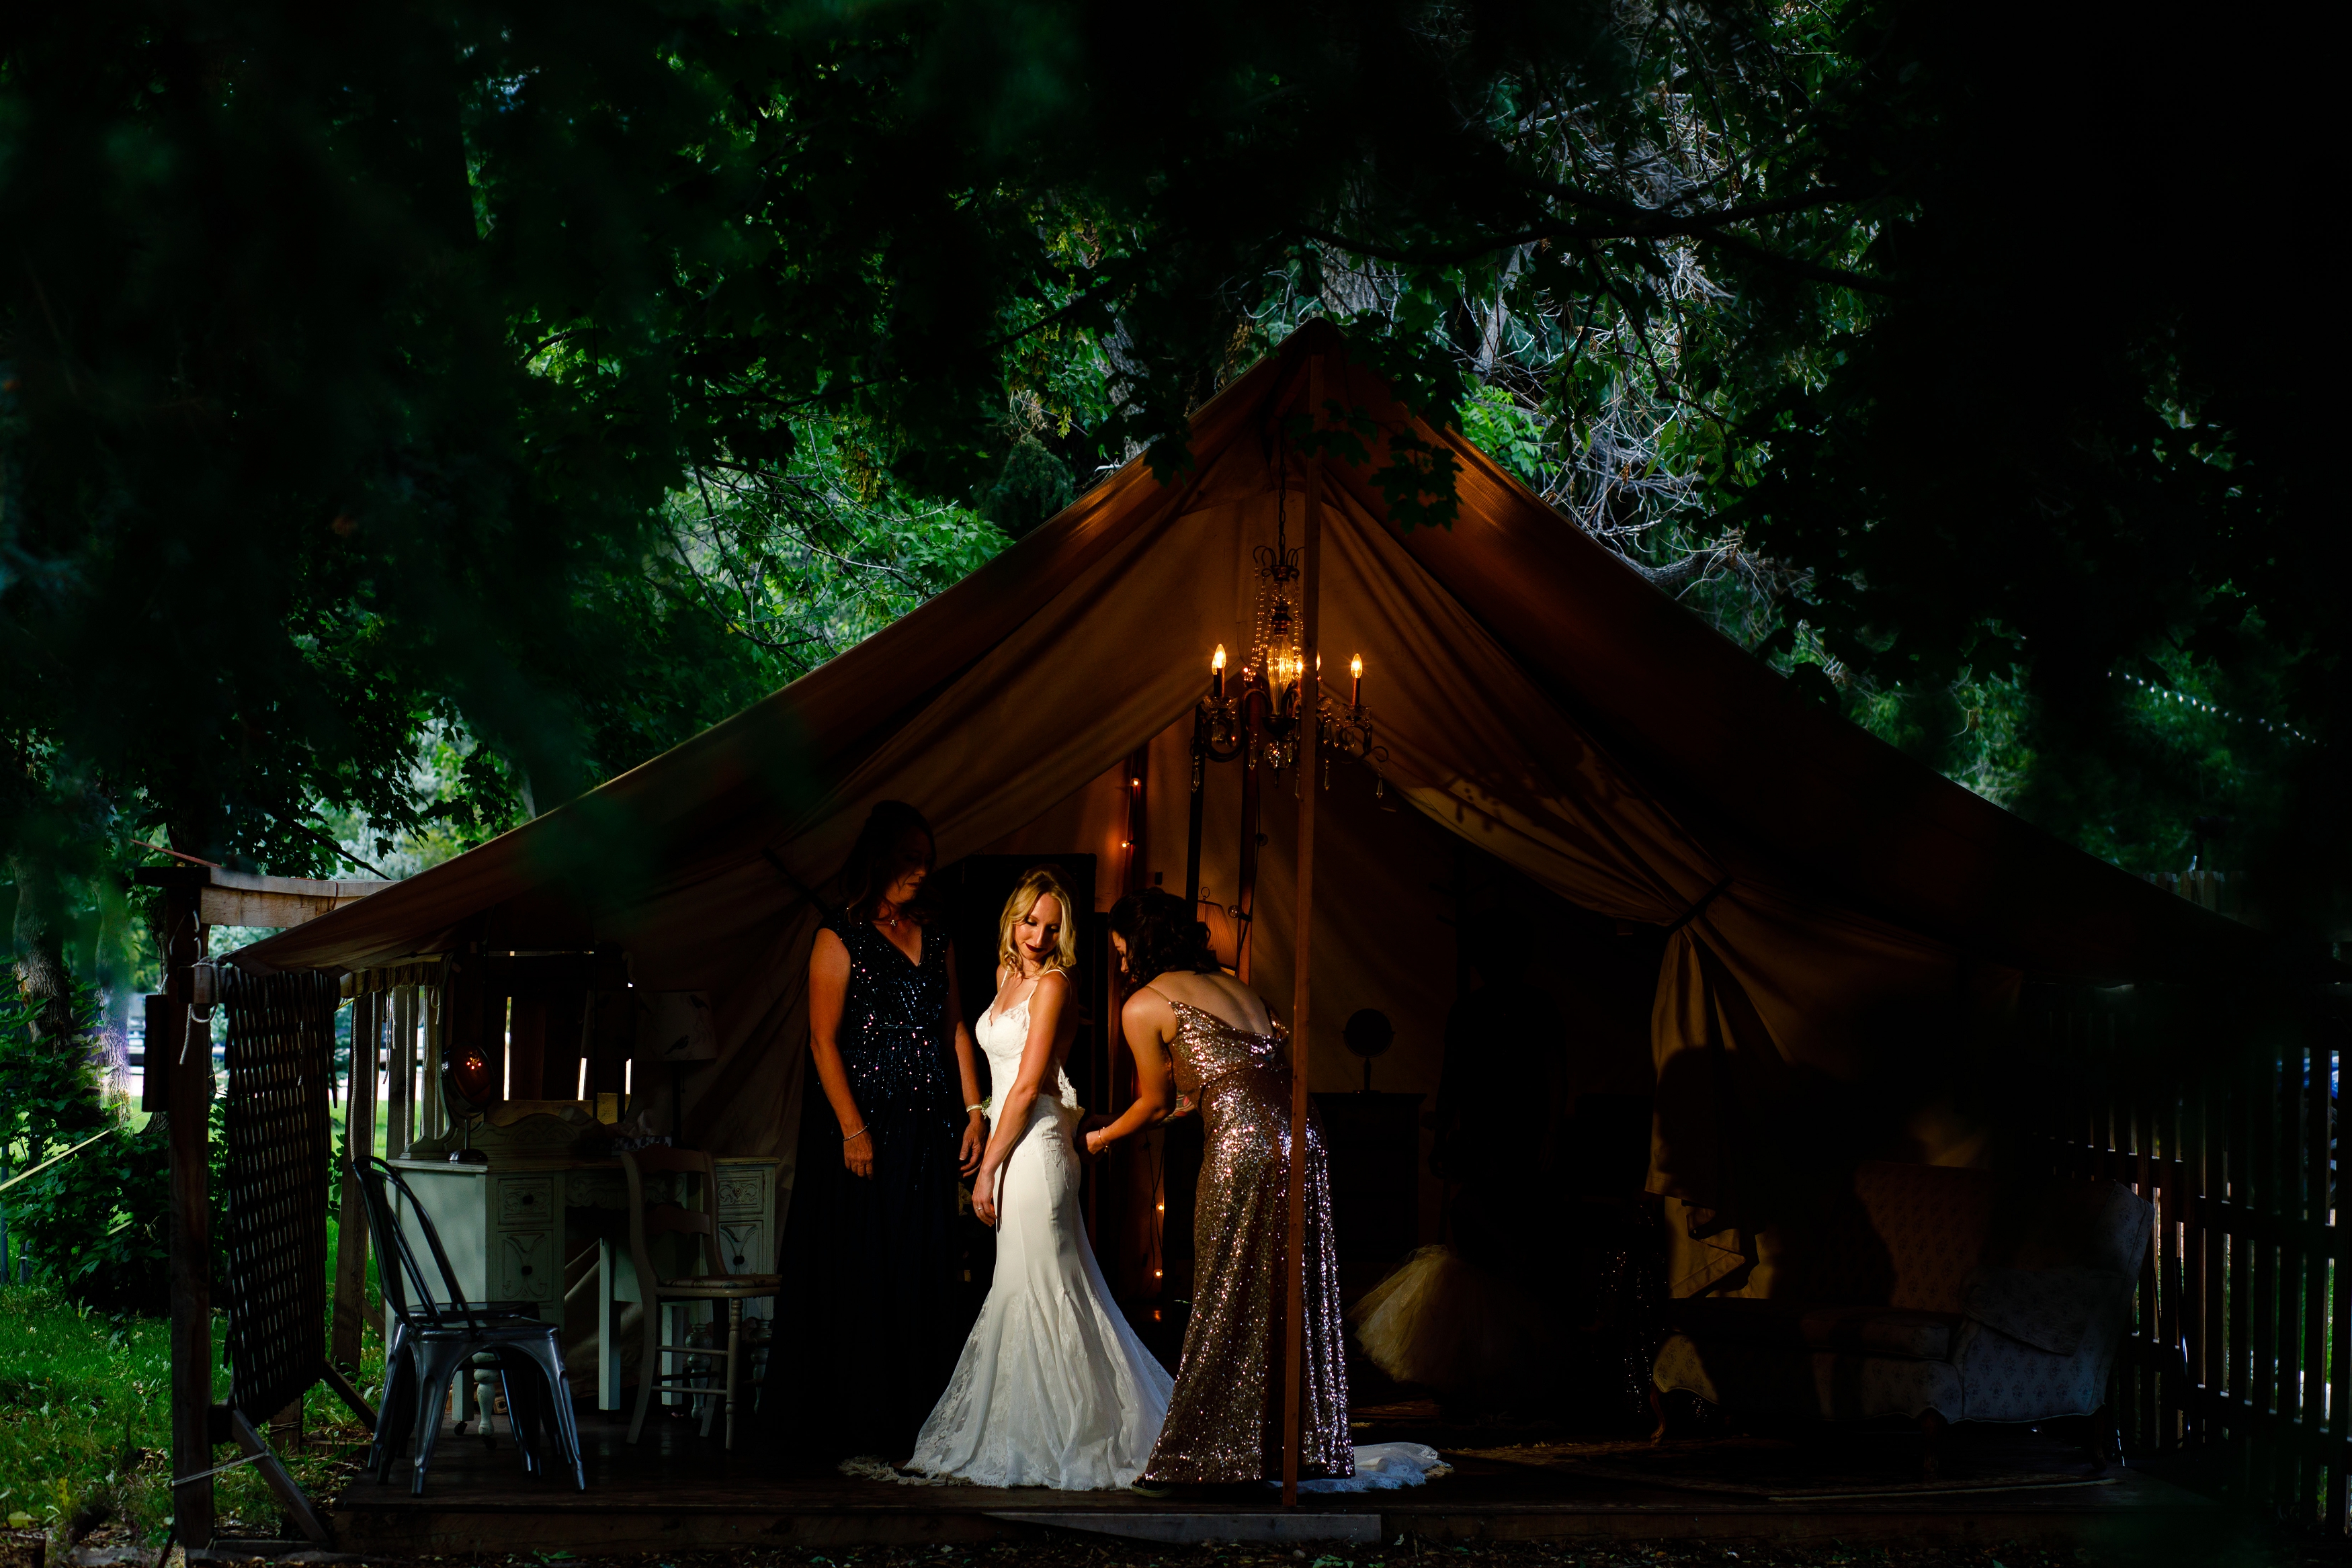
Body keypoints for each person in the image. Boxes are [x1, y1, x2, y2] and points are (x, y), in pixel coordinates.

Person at [905, 867, 1173, 1487]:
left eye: (1051, 928)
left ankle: (1076, 1435)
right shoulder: (1004, 977)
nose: (1038, 936)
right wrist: (981, 1125)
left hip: (1038, 1150)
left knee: (1044, 1291)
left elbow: (1027, 1088)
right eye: (1030, 922)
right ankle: (1032, 1428)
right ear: (1013, 917)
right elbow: (1000, 1081)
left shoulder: (1054, 985)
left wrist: (987, 1170)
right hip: (1010, 1138)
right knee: (1028, 1289)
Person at [1085, 889, 1352, 1487]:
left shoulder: (1144, 1004)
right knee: (1287, 1284)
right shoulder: (1237, 984)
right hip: (1304, 1131)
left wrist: (1102, 1139)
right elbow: (1235, 1073)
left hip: (1246, 1140)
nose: (1123, 964)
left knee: (1227, 1282)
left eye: (1124, 950)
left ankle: (1211, 1450)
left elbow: (1153, 1104)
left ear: (1144, 945)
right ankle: (1293, 1443)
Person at [761, 801, 989, 1465]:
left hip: (929, 1124)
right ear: (880, 859)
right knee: (866, 1263)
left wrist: (976, 1111)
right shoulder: (838, 936)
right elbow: (822, 1041)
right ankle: (854, 1418)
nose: (920, 871)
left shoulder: (935, 934)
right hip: (866, 1130)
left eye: (927, 859)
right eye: (908, 859)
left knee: (922, 1263)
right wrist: (851, 1129)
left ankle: (917, 1416)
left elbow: (953, 1028)